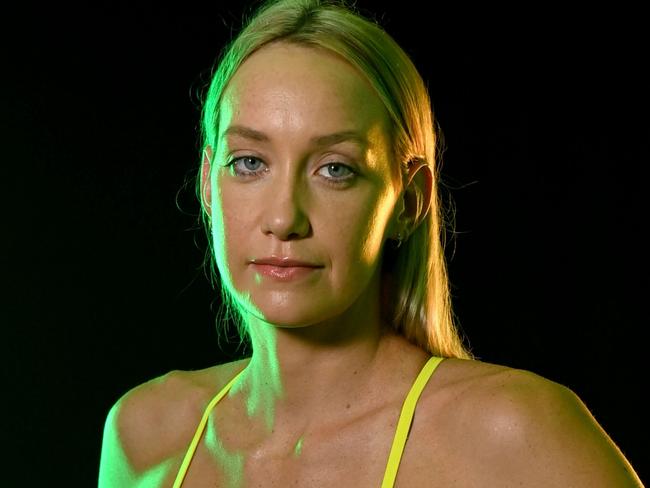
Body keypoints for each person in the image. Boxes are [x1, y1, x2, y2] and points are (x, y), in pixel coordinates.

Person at [98, 0, 643, 486]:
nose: (285, 218)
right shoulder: (146, 436)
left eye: (335, 169)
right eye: (249, 163)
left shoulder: (510, 434)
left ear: (409, 201)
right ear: (206, 187)